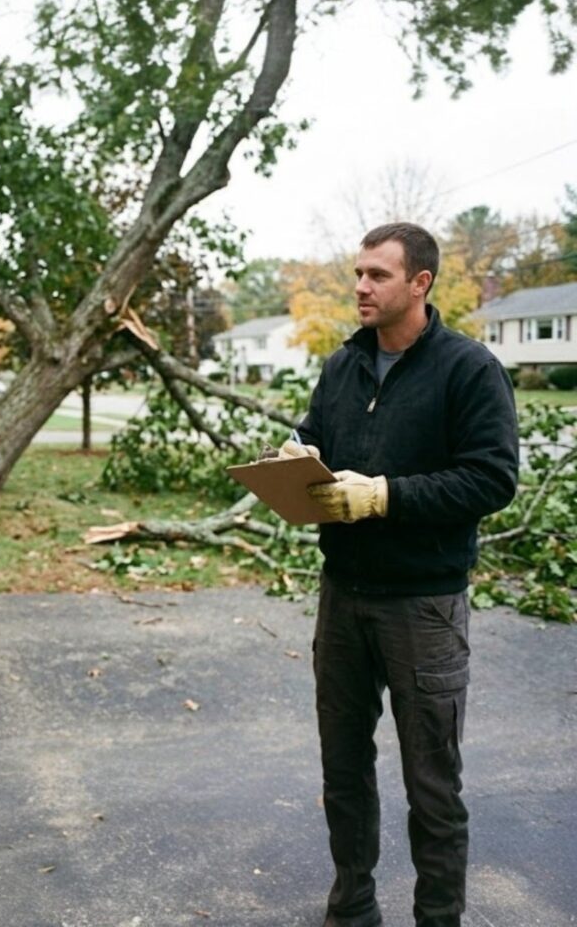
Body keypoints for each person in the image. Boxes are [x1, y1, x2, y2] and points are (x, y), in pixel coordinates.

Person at [283, 223, 519, 927]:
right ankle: (352, 909)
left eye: (378, 275)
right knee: (344, 772)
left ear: (420, 283)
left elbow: (491, 478)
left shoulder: (467, 369)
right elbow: (316, 436)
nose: (361, 286)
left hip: (424, 605)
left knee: (433, 784)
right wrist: (291, 460)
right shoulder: (344, 366)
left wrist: (386, 494)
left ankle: (437, 920)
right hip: (343, 598)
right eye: (358, 273)